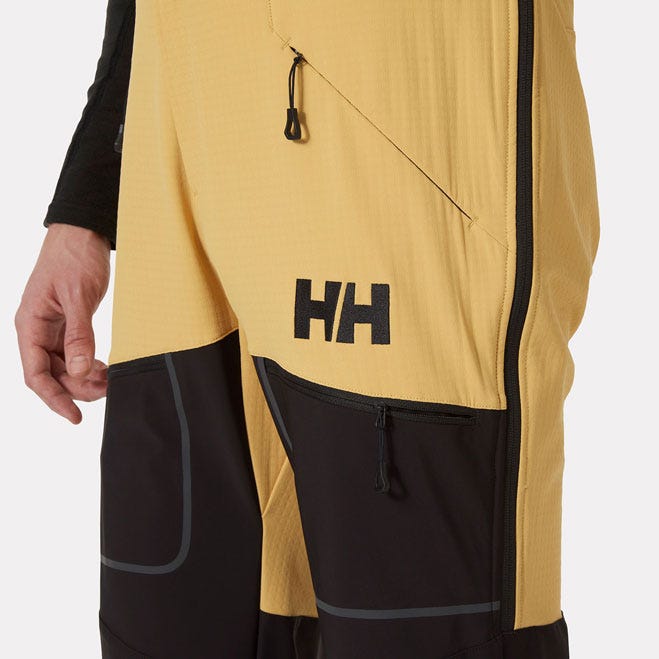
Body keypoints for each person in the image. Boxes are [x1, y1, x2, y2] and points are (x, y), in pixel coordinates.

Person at [17, 1, 600, 657]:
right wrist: (88, 202)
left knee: (432, 626)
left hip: (401, 93)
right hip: (178, 104)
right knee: (166, 620)